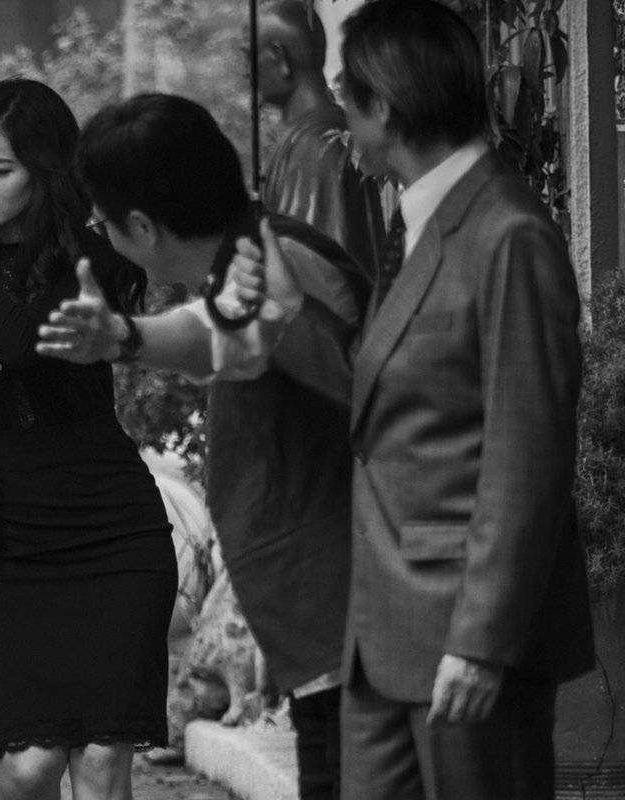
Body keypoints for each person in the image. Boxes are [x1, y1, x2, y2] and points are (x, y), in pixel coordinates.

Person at [34, 93, 368, 800]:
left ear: (143, 226)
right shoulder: (250, 261)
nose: (96, 228)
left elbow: (237, 337)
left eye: (102, 216)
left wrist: (125, 337)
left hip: (350, 615)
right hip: (313, 618)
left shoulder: (281, 264)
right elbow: (224, 330)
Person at [331, 2, 590, 795]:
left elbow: (529, 458)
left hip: (467, 643)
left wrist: (480, 641)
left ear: (385, 104)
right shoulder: (416, 222)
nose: (339, 116)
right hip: (384, 640)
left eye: (347, 95)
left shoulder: (507, 234)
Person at [0, 78, 174, 800]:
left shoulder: (92, 254)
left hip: (111, 526)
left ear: (44, 171)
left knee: (104, 764)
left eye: (1, 169)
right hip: (10, 534)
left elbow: (24, 344)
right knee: (29, 767)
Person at [254, 0, 390, 269]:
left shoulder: (317, 146)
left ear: (278, 56)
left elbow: (316, 277)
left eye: (249, 56)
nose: (247, 73)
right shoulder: (307, 138)